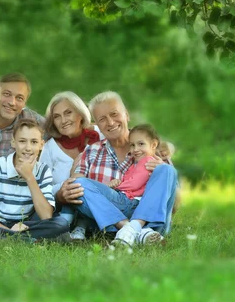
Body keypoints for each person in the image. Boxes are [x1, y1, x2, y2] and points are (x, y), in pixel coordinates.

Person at [67, 91, 178, 246]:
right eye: (102, 119)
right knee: (78, 184)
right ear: (97, 125)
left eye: (114, 114)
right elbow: (74, 189)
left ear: (126, 115)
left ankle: (139, 228)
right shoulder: (91, 151)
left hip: (150, 216)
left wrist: (163, 174)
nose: (111, 122)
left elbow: (175, 204)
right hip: (114, 208)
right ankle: (129, 229)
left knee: (167, 170)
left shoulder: (152, 147)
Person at [0, 119, 69, 241]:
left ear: (41, 145)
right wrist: (9, 231)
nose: (28, 148)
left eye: (34, 142)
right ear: (13, 143)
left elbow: (46, 216)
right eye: (22, 141)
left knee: (61, 223)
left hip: (25, 224)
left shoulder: (43, 170)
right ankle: (22, 239)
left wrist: (29, 177)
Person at [39, 91, 102, 239]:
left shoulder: (100, 135)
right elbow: (41, 188)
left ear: (80, 114)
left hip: (100, 205)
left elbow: (129, 140)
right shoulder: (50, 148)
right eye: (57, 116)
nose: (63, 120)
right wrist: (60, 192)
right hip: (63, 210)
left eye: (68, 113)